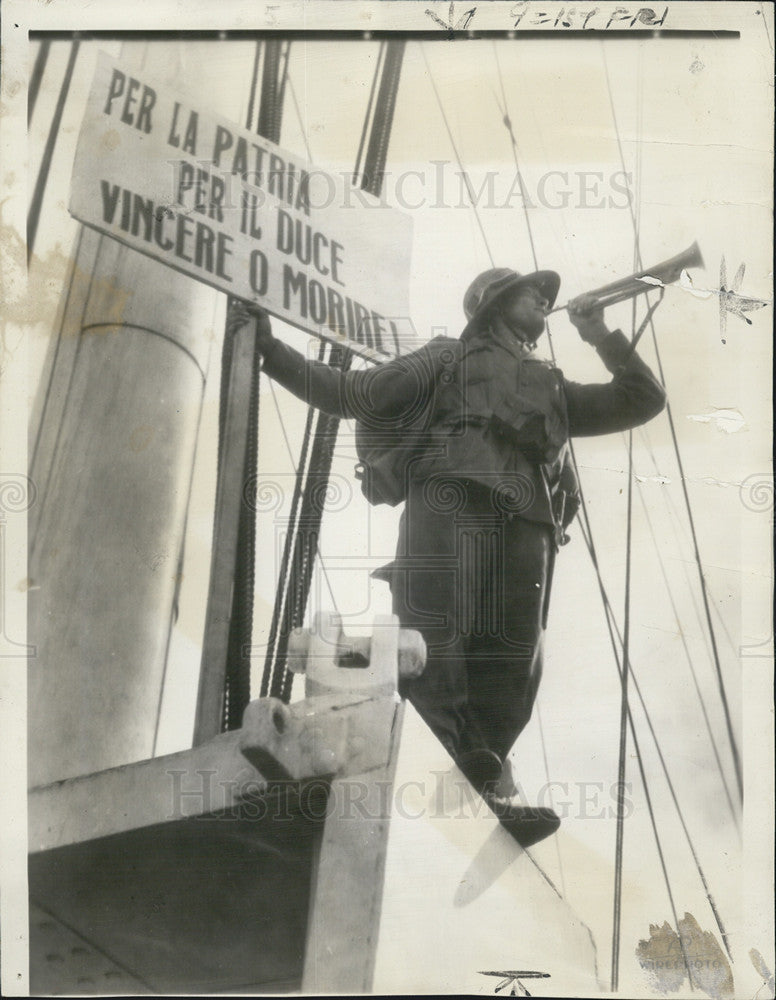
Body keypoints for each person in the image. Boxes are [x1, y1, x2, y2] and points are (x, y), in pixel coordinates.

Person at [226, 266, 666, 846]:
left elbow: (643, 399)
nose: (544, 297)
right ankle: (446, 762)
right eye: (528, 291)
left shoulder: (552, 384)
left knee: (516, 656)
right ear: (491, 305)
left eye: (544, 295)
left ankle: (480, 779)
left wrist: (600, 334)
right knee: (437, 636)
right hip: (449, 494)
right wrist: (271, 351)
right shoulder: (447, 357)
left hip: (527, 519)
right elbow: (352, 393)